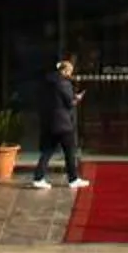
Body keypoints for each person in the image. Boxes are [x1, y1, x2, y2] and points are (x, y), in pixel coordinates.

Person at [28, 55, 87, 190]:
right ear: (65, 71)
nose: (71, 74)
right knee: (69, 151)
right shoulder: (63, 83)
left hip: (50, 122)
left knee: (47, 151)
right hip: (63, 123)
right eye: (70, 71)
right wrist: (77, 98)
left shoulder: (47, 82)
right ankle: (73, 179)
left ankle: (38, 177)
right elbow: (69, 102)